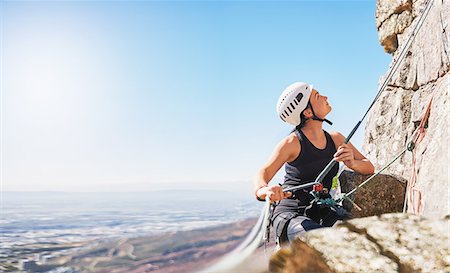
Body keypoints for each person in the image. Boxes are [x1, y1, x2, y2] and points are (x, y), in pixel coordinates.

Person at [254, 82, 374, 245]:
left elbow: (369, 167)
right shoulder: (292, 143)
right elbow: (263, 173)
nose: (325, 97)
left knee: (358, 240)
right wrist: (265, 191)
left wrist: (352, 163)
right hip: (291, 215)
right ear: (308, 112)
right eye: (318, 96)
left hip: (321, 210)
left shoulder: (336, 139)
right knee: (324, 242)